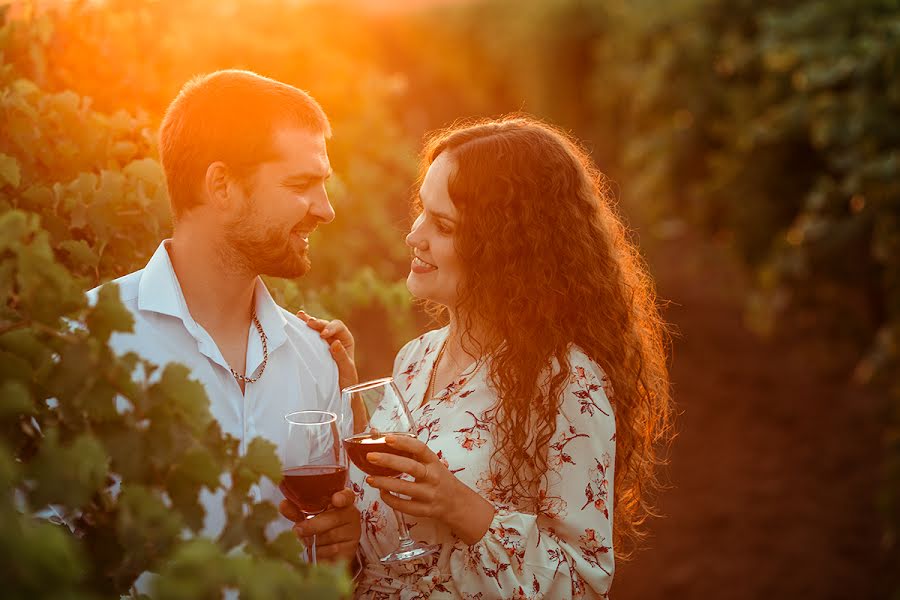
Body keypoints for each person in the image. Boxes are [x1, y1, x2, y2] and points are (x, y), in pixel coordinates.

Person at [300, 116, 673, 598]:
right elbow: (392, 549)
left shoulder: (567, 381)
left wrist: (459, 506)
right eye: (421, 212)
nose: (415, 236)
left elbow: (582, 583)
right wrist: (346, 397)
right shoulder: (414, 360)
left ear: (507, 250)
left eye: (444, 225)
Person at [87, 70, 360, 564]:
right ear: (221, 185)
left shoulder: (317, 359)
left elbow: (337, 557)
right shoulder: (86, 339)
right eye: (302, 184)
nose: (326, 209)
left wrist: (342, 543)